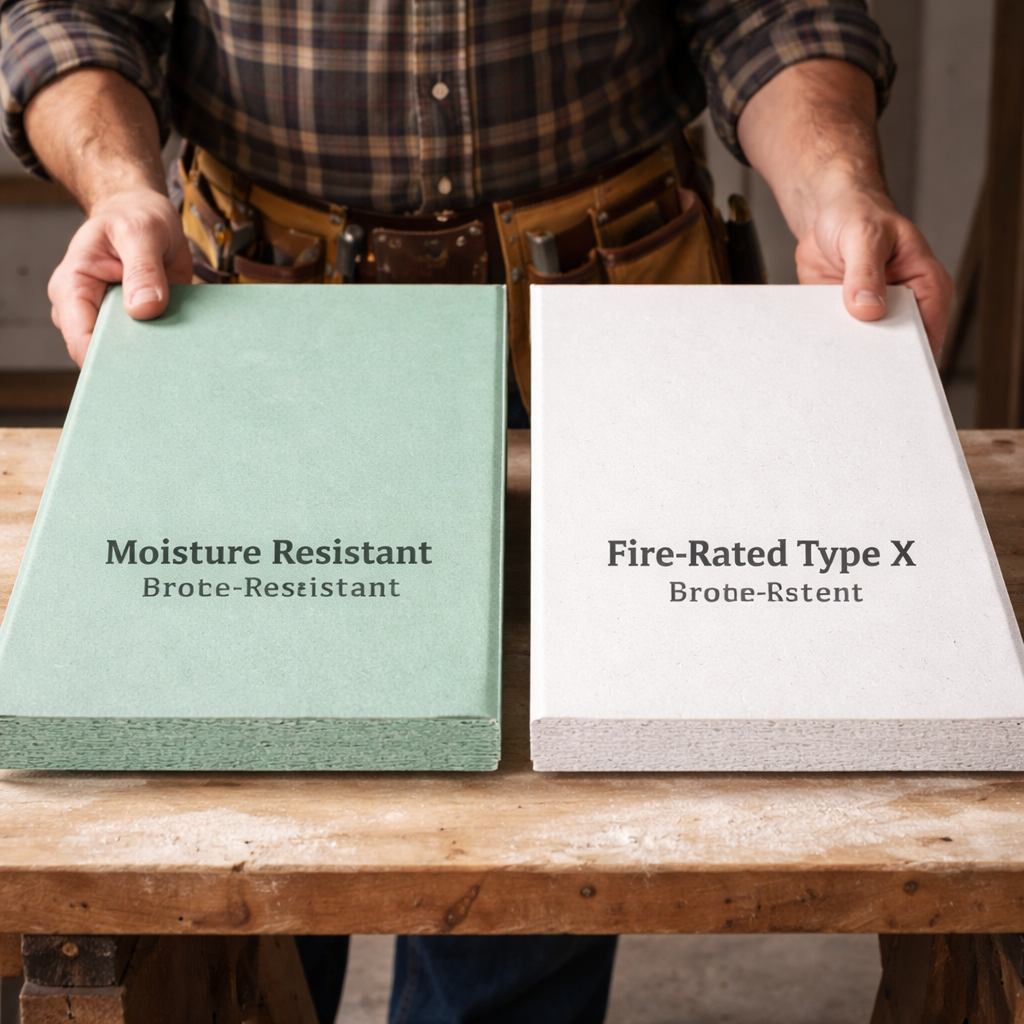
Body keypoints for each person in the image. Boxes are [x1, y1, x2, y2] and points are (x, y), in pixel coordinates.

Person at [0, 2, 953, 1022]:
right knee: (241, 860)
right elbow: (74, 15)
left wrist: (837, 189)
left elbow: (769, 12)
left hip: (608, 312)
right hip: (265, 309)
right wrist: (118, 185)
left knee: (532, 898)